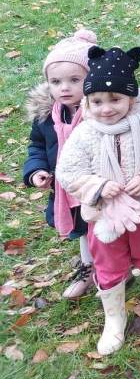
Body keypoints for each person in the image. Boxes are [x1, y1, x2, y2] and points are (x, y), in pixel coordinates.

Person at [56, 47, 140, 355]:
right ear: (88, 101)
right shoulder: (86, 132)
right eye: (97, 101)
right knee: (108, 261)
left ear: (131, 96)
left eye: (115, 99)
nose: (106, 109)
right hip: (104, 213)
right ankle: (114, 318)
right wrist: (98, 186)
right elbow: (68, 170)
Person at [23, 29, 98, 300]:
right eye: (55, 81)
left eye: (74, 80)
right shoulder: (46, 117)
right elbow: (37, 146)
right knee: (81, 227)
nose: (64, 88)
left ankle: (115, 267)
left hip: (96, 182)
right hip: (66, 187)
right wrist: (36, 170)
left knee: (101, 224)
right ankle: (88, 266)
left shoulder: (99, 111)